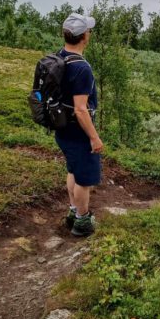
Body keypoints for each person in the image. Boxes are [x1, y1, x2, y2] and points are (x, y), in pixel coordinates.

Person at [56, 12, 104, 237]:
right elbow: (81, 109)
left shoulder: (59, 57)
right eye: (89, 30)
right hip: (78, 131)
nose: (90, 33)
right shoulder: (82, 68)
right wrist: (94, 137)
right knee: (84, 179)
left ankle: (73, 212)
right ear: (84, 36)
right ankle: (82, 222)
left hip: (62, 127)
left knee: (73, 169)